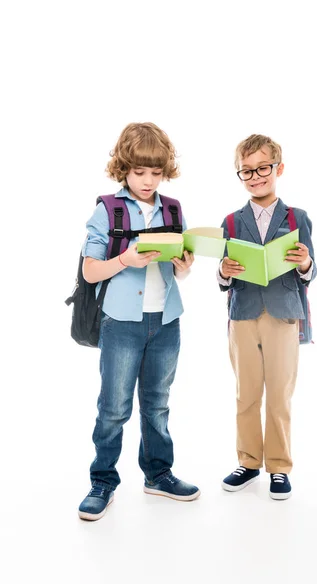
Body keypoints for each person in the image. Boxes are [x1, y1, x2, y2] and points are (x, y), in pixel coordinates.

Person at [78, 122, 200, 521]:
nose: (148, 180)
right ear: (124, 169)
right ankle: (103, 481)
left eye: (156, 172)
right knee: (113, 407)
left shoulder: (173, 209)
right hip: (123, 322)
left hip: (166, 319)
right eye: (140, 171)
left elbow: (176, 270)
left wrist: (184, 266)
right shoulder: (108, 210)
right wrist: (124, 261)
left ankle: (159, 474)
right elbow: (91, 272)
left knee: (157, 404)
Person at [218, 134, 317, 500]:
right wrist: (225, 272)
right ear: (239, 174)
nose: (255, 176)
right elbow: (223, 276)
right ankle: (248, 461)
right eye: (247, 171)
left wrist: (304, 262)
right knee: (246, 394)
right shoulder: (231, 221)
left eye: (263, 168)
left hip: (282, 314)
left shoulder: (297, 218)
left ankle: (279, 466)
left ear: (278, 168)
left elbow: (311, 271)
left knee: (279, 394)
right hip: (243, 314)